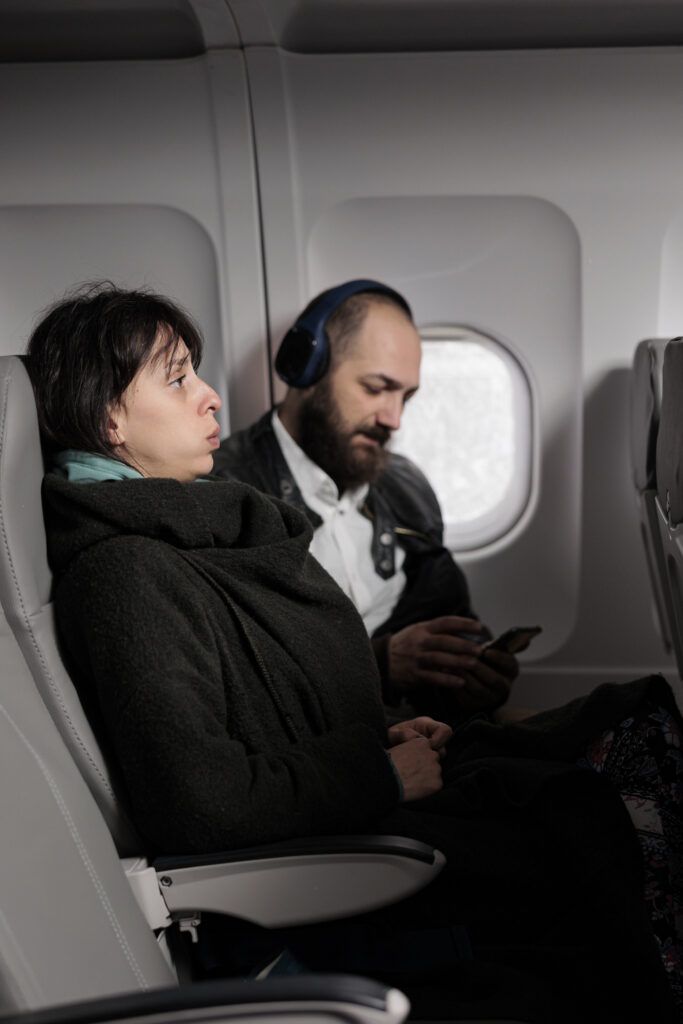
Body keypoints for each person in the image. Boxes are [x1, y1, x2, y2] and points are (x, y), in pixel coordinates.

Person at [25, 283, 683, 1022]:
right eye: (178, 377)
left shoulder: (204, 529)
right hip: (322, 867)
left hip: (355, 790)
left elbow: (260, 708)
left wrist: (398, 728)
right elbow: (200, 803)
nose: (210, 397)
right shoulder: (126, 574)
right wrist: (378, 770)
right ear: (109, 416)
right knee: (605, 828)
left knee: (629, 739)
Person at [211, 280, 519, 724]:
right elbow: (233, 679)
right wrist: (379, 666)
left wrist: (471, 679)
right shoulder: (222, 494)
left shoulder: (404, 486)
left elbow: (448, 621)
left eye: (406, 397)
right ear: (308, 369)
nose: (394, 419)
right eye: (376, 388)